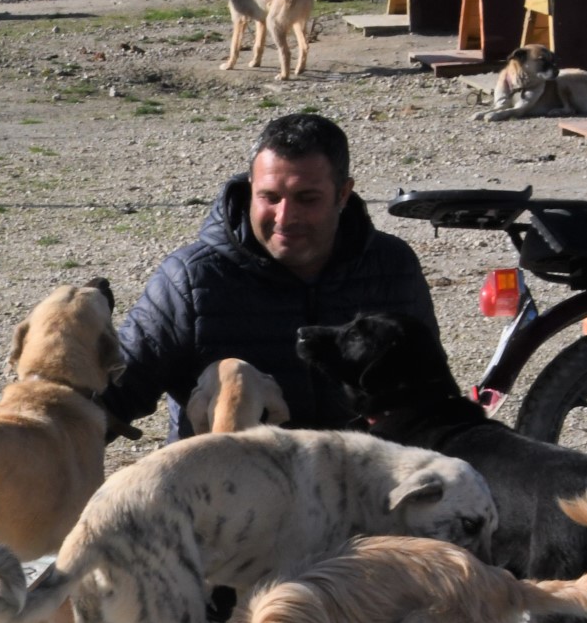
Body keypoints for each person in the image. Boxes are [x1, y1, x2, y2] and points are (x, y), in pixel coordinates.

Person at [104, 113, 438, 440]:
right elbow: (109, 400)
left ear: (343, 194)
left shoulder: (393, 268)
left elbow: (432, 397)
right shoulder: (190, 280)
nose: (285, 217)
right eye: (270, 197)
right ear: (251, 189)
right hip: (230, 489)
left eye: (307, 199)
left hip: (363, 485)